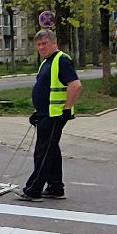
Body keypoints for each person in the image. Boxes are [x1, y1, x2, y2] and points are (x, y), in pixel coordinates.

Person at [19, 29, 80, 202]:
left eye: (44, 43)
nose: (41, 47)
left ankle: (33, 190)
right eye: (38, 45)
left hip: (55, 115)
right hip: (46, 114)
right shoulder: (46, 62)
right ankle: (55, 187)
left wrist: (67, 109)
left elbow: (75, 86)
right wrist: (37, 112)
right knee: (51, 151)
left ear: (53, 42)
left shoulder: (62, 60)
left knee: (42, 152)